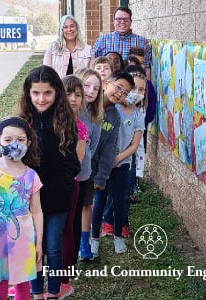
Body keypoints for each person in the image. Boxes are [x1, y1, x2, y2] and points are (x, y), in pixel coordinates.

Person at [17, 65, 80, 300]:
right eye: (36, 93)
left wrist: (64, 188)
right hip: (28, 200)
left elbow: (73, 162)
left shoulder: (65, 121)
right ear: (28, 93)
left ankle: (52, 293)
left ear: (56, 93)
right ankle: (35, 293)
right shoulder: (22, 122)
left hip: (56, 198)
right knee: (33, 247)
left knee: (53, 247)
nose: (41, 99)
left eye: (47, 93)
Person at [0, 117, 44, 300]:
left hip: (24, 240)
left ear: (29, 142)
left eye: (20, 140)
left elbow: (37, 211)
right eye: (8, 140)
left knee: (23, 285)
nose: (14, 145)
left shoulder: (32, 176)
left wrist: (39, 243)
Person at [90, 70, 135, 257]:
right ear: (107, 82)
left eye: (125, 92)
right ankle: (91, 239)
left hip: (102, 168)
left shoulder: (114, 117)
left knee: (110, 200)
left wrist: (101, 176)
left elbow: (109, 150)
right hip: (81, 167)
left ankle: (112, 237)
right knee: (90, 205)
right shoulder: (89, 104)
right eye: (118, 87)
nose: (120, 93)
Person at [100, 65, 146, 240]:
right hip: (106, 159)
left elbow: (135, 145)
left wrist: (119, 158)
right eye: (131, 89)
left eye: (140, 89)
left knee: (123, 193)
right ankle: (107, 221)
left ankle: (122, 223)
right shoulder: (112, 108)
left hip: (124, 160)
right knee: (107, 192)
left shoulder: (137, 115)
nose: (134, 92)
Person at [58, 75, 88, 298]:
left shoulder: (81, 127)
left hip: (69, 185)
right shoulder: (50, 121)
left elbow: (77, 162)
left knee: (66, 231)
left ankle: (64, 280)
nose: (73, 99)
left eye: (78, 95)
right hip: (43, 186)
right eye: (68, 93)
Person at [73, 68, 103, 260]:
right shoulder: (69, 111)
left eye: (96, 88)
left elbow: (95, 144)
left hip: (85, 172)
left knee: (85, 206)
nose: (91, 91)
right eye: (87, 85)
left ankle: (84, 243)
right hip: (66, 174)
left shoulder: (95, 117)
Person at [92, 6, 153, 77]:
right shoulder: (102, 40)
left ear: (131, 22)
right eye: (118, 19)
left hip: (134, 84)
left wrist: (148, 86)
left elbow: (147, 68)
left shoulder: (142, 42)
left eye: (126, 19)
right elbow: (94, 66)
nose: (122, 22)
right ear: (113, 22)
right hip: (108, 84)